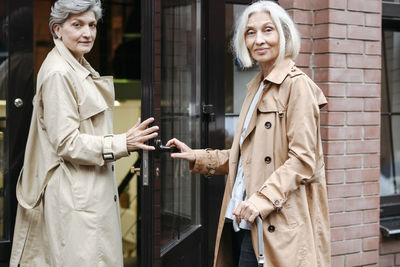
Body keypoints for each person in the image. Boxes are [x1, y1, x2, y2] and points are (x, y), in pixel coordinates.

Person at [167, 1, 331, 266]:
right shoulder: (256, 87)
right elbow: (248, 157)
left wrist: (262, 200)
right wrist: (199, 158)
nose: (259, 40)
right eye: (250, 32)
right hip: (243, 221)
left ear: (284, 35)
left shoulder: (296, 86)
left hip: (276, 226)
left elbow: (303, 160)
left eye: (268, 30)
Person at [9, 0, 158, 266]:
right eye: (77, 25)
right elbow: (67, 143)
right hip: (71, 198)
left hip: (82, 194)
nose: (87, 33)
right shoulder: (59, 72)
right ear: (58, 29)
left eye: (91, 25)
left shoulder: (76, 65)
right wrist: (123, 142)